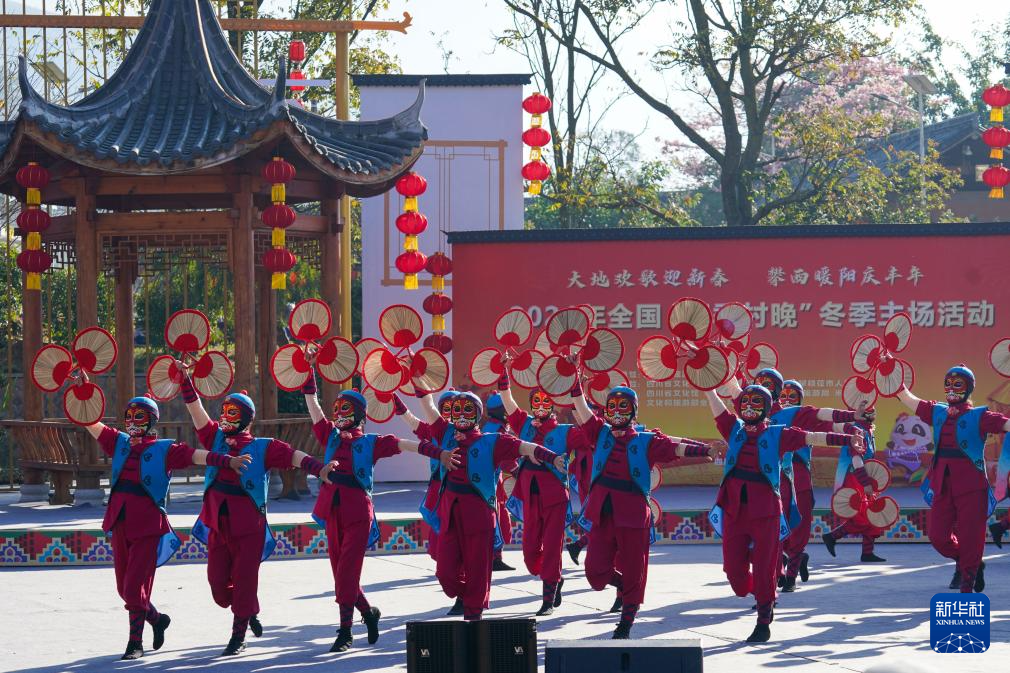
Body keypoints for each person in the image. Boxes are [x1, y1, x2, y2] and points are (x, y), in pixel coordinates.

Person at [178, 371, 335, 656]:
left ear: (246, 418)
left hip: (249, 526)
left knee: (245, 580)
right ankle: (248, 608)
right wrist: (185, 380)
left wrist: (319, 468)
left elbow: (294, 456)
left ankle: (238, 635)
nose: (225, 416)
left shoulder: (263, 447)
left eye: (232, 412)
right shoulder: (215, 438)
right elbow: (196, 411)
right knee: (217, 587)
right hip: (217, 522)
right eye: (224, 410)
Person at [84, 395, 249, 660]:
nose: (131, 421)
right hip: (120, 520)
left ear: (151, 420)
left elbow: (198, 456)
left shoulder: (165, 449)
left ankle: (134, 643)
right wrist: (82, 394)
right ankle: (157, 619)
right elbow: (90, 421)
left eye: (139, 416)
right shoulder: (120, 442)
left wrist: (227, 461)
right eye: (129, 415)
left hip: (148, 524)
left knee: (135, 586)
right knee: (124, 588)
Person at [703, 384, 863, 642]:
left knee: (766, 566)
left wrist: (848, 440)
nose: (749, 406)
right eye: (745, 402)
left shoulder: (778, 434)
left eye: (756, 402)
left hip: (765, 510)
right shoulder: (733, 430)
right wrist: (708, 386)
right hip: (734, 509)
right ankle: (762, 592)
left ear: (766, 407)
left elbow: (811, 437)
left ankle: (764, 618)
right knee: (735, 575)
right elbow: (718, 410)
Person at [569, 381, 714, 639]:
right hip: (603, 511)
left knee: (635, 568)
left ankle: (627, 619)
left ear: (633, 411)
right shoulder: (599, 432)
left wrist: (705, 450)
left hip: (633, 513)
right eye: (611, 406)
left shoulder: (647, 441)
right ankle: (625, 586)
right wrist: (574, 378)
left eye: (623, 406)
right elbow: (581, 407)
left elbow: (675, 448)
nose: (616, 411)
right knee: (595, 573)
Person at [425, 391, 564, 621]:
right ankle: (471, 596)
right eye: (456, 409)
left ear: (478, 414)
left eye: (467, 410)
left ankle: (475, 611)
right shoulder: (448, 434)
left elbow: (524, 447)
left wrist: (552, 458)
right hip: (452, 509)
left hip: (481, 511)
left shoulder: (492, 439)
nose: (460, 415)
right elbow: (427, 409)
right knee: (445, 573)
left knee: (479, 569)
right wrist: (417, 382)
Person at [895, 364, 1010, 593]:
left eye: (958, 384)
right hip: (942, 483)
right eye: (948, 383)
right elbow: (907, 397)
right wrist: (891, 376)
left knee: (971, 536)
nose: (951, 388)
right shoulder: (937, 411)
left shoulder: (981, 416)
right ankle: (971, 563)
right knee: (938, 537)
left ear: (968, 388)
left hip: (972, 485)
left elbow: (1005, 424)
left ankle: (968, 580)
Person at [497, 371, 588, 615]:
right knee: (529, 554)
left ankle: (548, 599)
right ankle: (555, 579)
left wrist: (579, 393)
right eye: (535, 401)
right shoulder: (524, 425)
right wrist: (503, 374)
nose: (540, 406)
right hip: (529, 495)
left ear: (553, 405)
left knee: (551, 547)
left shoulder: (566, 432)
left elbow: (592, 436)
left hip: (555, 497)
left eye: (545, 401)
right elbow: (509, 402)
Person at [822, 412, 887, 563]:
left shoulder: (868, 429)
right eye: (868, 410)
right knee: (862, 517)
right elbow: (856, 459)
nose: (872, 413)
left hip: (864, 476)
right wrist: (865, 483)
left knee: (872, 513)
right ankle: (832, 536)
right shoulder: (857, 431)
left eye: (873, 410)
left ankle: (867, 552)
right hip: (855, 477)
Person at [482, 392, 517, 572]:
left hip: (491, 480)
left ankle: (494, 557)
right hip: (491, 483)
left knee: (499, 516)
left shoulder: (491, 427)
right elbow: (504, 457)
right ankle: (495, 558)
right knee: (498, 517)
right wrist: (517, 470)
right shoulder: (496, 431)